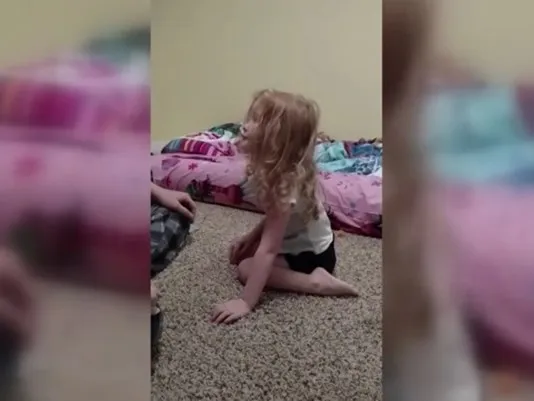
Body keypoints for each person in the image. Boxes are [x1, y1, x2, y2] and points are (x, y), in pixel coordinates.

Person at [211, 89, 358, 325]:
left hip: (314, 257)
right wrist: (251, 237)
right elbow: (276, 218)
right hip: (309, 245)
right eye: (250, 118)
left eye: (257, 122)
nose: (245, 126)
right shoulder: (272, 171)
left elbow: (269, 249)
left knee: (246, 268)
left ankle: (315, 282)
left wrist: (246, 302)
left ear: (277, 141)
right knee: (242, 253)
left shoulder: (283, 185)